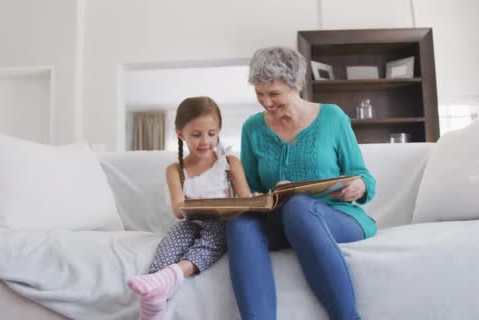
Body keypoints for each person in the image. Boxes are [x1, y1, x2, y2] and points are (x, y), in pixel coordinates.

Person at [227, 47, 378, 320]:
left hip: (336, 216)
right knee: (240, 222)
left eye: (274, 94)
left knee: (298, 206)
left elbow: (363, 176)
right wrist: (258, 196)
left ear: (297, 85)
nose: (266, 102)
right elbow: (249, 189)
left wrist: (359, 186)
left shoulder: (332, 118)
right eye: (259, 94)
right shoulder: (252, 128)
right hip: (280, 220)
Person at [126, 96, 252, 320]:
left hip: (221, 222)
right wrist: (197, 206)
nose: (205, 141)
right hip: (191, 220)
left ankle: (173, 274)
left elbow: (246, 200)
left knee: (214, 237)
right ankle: (154, 290)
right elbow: (178, 209)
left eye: (212, 134)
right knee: (173, 238)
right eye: (196, 135)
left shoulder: (230, 162)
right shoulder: (175, 169)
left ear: (219, 131)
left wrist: (221, 207)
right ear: (181, 134)